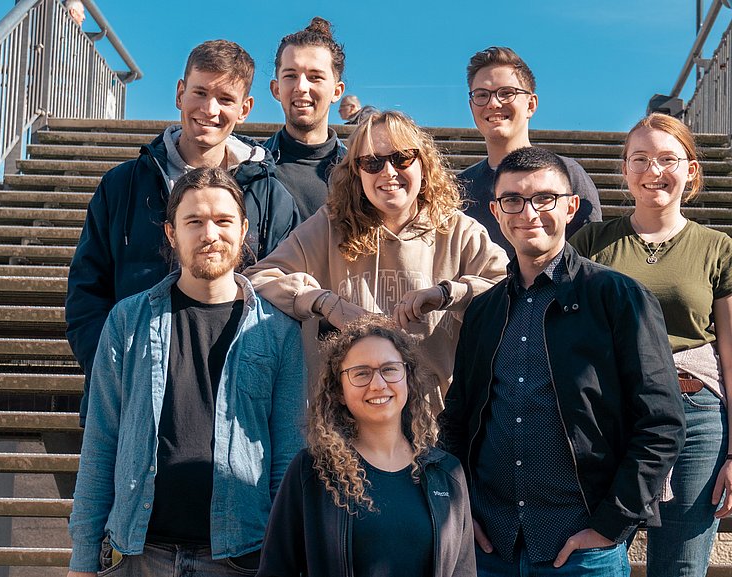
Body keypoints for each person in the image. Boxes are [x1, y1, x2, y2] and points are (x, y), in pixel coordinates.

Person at [438, 146, 686, 576]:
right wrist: (464, 512)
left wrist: (610, 526)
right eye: (512, 200)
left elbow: (662, 422)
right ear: (496, 213)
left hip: (584, 548)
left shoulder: (620, 298)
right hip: (490, 545)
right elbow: (458, 419)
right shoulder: (483, 311)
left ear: (571, 206)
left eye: (544, 198)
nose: (528, 212)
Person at [66, 167, 306, 577]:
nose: (209, 233)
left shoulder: (278, 332)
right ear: (171, 233)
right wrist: (84, 560)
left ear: (244, 230)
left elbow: (288, 455)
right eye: (194, 221)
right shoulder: (128, 320)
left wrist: (284, 558)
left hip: (241, 557)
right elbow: (101, 442)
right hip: (138, 554)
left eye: (223, 220)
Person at [66, 39, 299, 428]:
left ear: (245, 109)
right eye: (200, 92)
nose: (210, 109)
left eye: (225, 98)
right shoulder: (121, 186)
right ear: (179, 93)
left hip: (236, 403)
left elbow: (284, 301)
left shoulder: (270, 196)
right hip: (132, 398)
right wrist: (115, 370)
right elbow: (86, 295)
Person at [245, 110, 508, 412]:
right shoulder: (331, 226)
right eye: (372, 162)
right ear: (357, 173)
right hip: (351, 422)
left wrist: (447, 294)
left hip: (438, 423)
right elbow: (260, 279)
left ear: (424, 164)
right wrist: (325, 303)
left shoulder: (459, 231)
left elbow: (506, 290)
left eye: (402, 158)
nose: (388, 172)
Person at [569, 113, 732, 577]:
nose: (652, 170)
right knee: (597, 560)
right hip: (609, 418)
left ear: (691, 169)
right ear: (624, 170)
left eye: (667, 159)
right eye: (639, 159)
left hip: (694, 416)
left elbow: (731, 355)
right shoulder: (592, 242)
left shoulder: (717, 246)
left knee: (680, 566)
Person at [257, 315, 476, 576]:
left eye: (389, 369)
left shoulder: (446, 472)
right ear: (338, 391)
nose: (378, 384)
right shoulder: (312, 471)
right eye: (361, 373)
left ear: (408, 377)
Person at [458, 46, 601, 256]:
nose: (493, 103)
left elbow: (590, 256)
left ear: (531, 104)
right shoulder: (459, 189)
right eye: (482, 95)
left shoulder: (567, 174)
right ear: (471, 107)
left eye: (506, 93)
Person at [266, 17, 347, 220]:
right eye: (290, 75)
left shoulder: (358, 171)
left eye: (315, 77)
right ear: (276, 89)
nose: (301, 87)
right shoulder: (253, 167)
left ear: (337, 91)